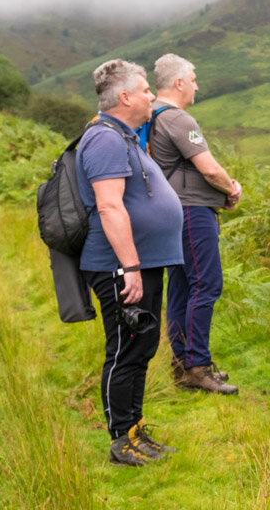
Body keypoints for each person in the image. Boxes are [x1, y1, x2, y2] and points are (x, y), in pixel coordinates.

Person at [76, 59, 185, 466]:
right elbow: (108, 207)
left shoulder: (122, 136)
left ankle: (135, 430)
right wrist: (130, 267)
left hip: (138, 263)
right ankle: (121, 440)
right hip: (119, 266)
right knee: (124, 349)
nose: (151, 96)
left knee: (141, 347)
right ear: (124, 97)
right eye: (144, 90)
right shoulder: (104, 139)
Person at [147, 54, 243, 395]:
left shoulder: (153, 115)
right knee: (206, 284)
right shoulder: (176, 117)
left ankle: (183, 364)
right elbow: (210, 169)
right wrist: (231, 189)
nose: (197, 85)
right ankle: (197, 366)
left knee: (183, 287)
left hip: (172, 210)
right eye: (193, 78)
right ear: (178, 83)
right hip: (191, 211)